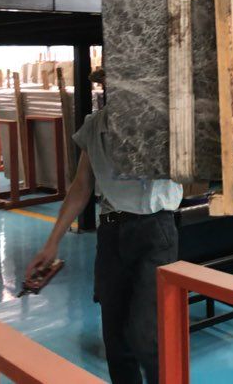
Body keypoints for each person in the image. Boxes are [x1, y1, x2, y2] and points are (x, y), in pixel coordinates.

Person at [27, 70, 183, 384]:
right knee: (115, 339)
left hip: (155, 229)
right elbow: (81, 186)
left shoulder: (161, 121)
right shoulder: (95, 126)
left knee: (147, 335)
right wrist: (52, 242)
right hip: (111, 233)